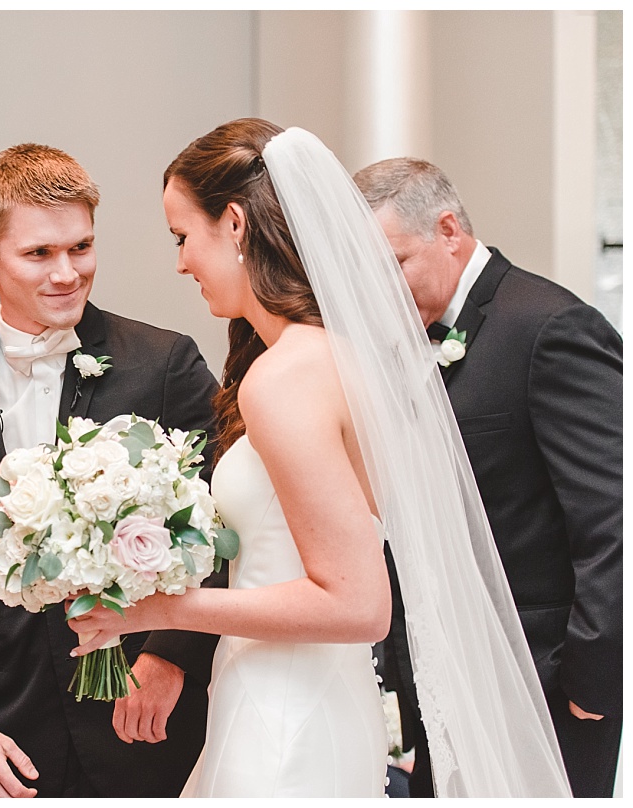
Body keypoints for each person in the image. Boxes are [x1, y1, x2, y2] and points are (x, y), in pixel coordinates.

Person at [67, 119, 572, 797]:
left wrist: (162, 610)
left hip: (285, 715)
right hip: (315, 697)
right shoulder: (336, 356)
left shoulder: (286, 378)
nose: (180, 261)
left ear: (236, 225)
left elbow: (358, 605)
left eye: (183, 237)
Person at [0, 143, 223, 798]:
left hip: (146, 719)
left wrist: (170, 659)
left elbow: (228, 529)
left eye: (81, 248)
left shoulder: (165, 366)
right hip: (3, 734)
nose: (67, 273)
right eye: (39, 254)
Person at [353, 157, 623, 798]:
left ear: (449, 229)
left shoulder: (550, 327)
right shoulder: (401, 342)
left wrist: (593, 678)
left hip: (545, 682)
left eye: (393, 264)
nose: (381, 291)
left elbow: (613, 516)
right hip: (440, 680)